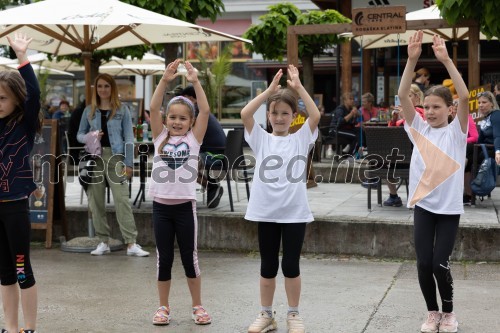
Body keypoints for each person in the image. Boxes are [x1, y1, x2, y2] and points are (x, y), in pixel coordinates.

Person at [241, 65, 320, 333]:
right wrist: (269, 93)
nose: (279, 117)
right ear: (269, 115)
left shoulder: (300, 139)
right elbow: (245, 113)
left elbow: (316, 114)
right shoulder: (261, 139)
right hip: (265, 212)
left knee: (290, 265)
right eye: (274, 113)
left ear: (294, 116)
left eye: (285, 113)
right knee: (268, 265)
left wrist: (297, 87)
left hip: (294, 213)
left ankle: (293, 314)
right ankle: (266, 314)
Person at [399, 31, 469, 333]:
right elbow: (403, 96)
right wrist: (412, 59)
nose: (429, 112)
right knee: (423, 264)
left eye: (436, 107)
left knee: (441, 263)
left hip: (449, 209)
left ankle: (449, 313)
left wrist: (446, 60)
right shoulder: (418, 130)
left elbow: (465, 96)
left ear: (449, 110)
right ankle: (432, 313)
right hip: (424, 206)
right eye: (426, 107)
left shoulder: (457, 132)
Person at [148, 59, 212, 326]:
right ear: (165, 120)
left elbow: (206, 110)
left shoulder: (193, 140)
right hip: (161, 208)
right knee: (164, 258)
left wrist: (195, 81)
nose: (176, 121)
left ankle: (198, 306)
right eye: (172, 117)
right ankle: (163, 307)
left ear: (191, 122)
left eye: (183, 118)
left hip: (185, 206)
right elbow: (152, 107)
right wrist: (164, 80)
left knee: (189, 257)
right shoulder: (159, 137)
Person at [77, 74, 149, 257]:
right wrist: (91, 136)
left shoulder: (122, 110)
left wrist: (128, 163)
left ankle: (131, 243)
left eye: (106, 86)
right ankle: (103, 241)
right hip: (95, 159)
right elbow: (78, 135)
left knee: (122, 199)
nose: (103, 89)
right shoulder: (88, 111)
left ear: (112, 88)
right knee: (96, 201)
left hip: (116, 157)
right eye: (99, 86)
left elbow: (129, 138)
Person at [0, 33, 40, 333]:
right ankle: (11, 328)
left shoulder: (23, 124)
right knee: (4, 274)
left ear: (15, 97)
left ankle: (29, 328)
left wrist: (22, 57)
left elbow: (35, 94)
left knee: (21, 269)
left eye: (1, 97)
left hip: (15, 207)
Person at [176, 85, 226, 208]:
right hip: (217, 153)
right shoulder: (198, 111)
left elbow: (186, 135)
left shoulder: (196, 112)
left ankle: (211, 187)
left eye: (184, 100)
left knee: (182, 163)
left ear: (192, 99)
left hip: (214, 155)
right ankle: (211, 187)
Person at [383, 84, 425, 206]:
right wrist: (394, 118)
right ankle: (393, 195)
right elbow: (392, 130)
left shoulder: (420, 110)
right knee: (386, 159)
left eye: (409, 96)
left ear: (417, 98)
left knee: (386, 160)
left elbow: (417, 125)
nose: (405, 99)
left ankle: (393, 195)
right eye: (403, 97)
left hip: (414, 155)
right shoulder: (405, 113)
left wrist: (403, 116)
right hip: (402, 156)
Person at [463, 91, 500, 205]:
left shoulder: (496, 115)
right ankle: (468, 194)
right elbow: (479, 140)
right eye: (479, 103)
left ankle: (466, 193)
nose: (480, 105)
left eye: (484, 102)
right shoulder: (485, 119)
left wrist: (498, 151)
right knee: (466, 151)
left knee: (467, 155)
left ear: (492, 104)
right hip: (485, 149)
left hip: (493, 150)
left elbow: (498, 135)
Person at [325, 91, 359, 158]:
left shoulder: (349, 109)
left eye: (353, 99)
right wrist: (351, 114)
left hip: (343, 130)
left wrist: (355, 116)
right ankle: (349, 155)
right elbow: (340, 122)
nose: (352, 101)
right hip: (335, 130)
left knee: (360, 132)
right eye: (350, 99)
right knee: (356, 136)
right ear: (345, 100)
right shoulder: (340, 109)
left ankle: (346, 152)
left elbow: (351, 123)